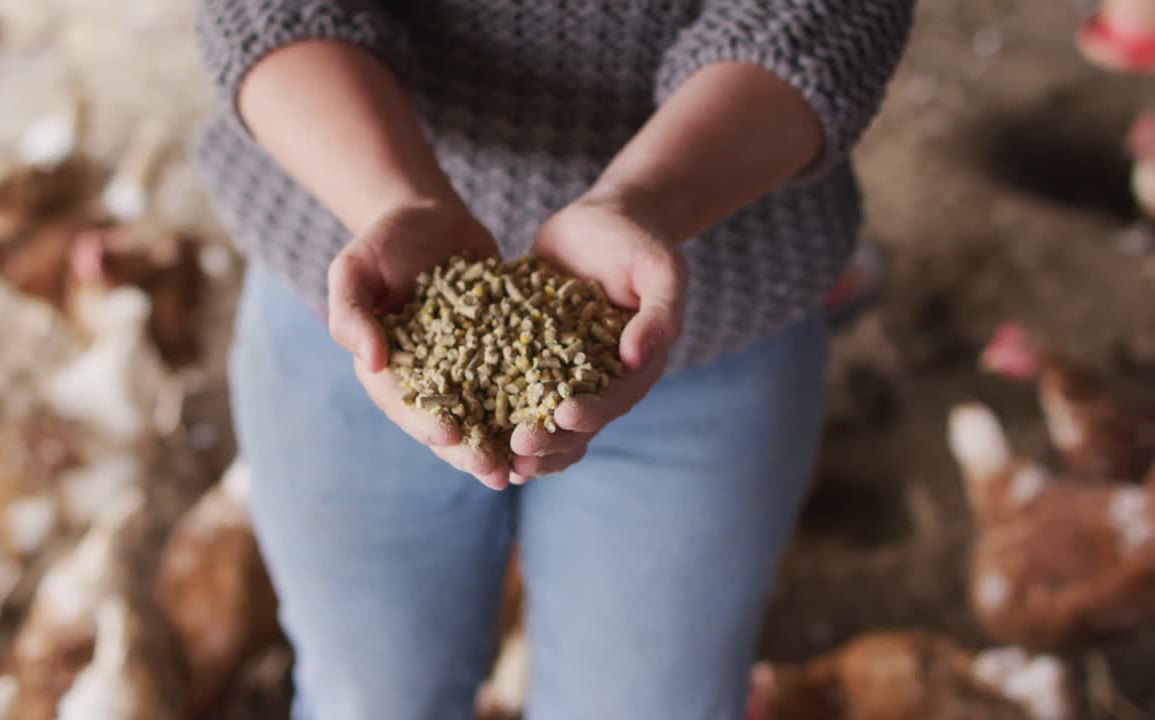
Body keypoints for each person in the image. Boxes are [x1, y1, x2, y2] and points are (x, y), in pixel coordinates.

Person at [193, 2, 914, 718]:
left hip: (719, 298)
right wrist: (392, 201)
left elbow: (822, 18)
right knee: (369, 696)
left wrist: (645, 201)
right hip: (352, 287)